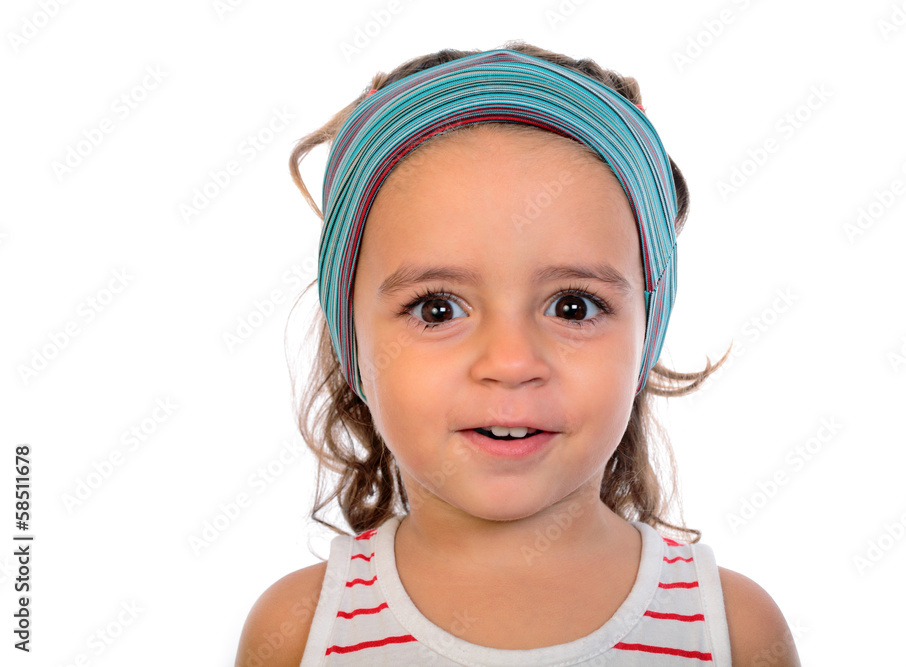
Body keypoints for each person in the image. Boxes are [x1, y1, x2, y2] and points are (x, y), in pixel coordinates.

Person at [235, 41, 800, 666]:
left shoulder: (731, 631)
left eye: (573, 307)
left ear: (648, 335)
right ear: (354, 342)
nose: (510, 363)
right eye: (437, 309)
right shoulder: (301, 633)